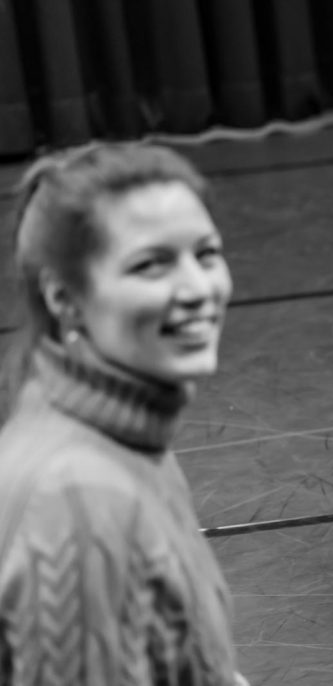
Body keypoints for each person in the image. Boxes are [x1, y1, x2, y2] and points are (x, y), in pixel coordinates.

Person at [0, 142, 248, 684]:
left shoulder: (120, 438)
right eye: (150, 265)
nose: (198, 289)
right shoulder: (79, 503)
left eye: (206, 254)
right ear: (64, 299)